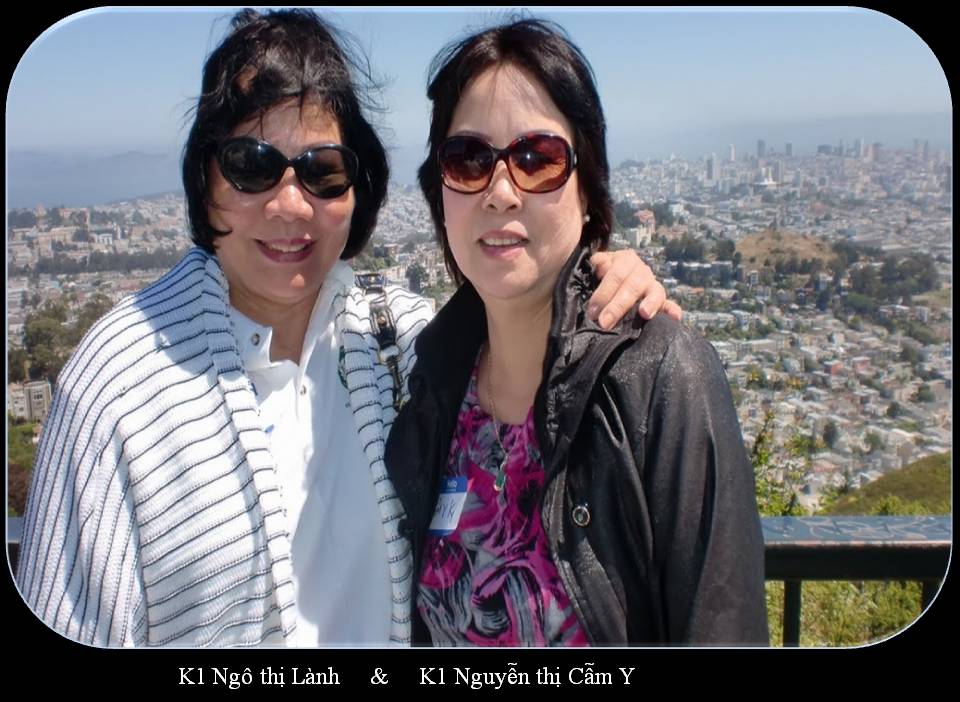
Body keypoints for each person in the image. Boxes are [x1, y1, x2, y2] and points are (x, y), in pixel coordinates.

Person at [15, 9, 677, 647]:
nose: (289, 205)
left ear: (358, 188)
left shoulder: (407, 346)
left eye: (322, 172)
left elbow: (524, 324)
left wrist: (601, 277)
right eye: (251, 166)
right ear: (205, 179)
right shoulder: (120, 386)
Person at [385, 18, 768, 646]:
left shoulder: (661, 376)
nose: (501, 192)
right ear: (440, 193)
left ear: (587, 188)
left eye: (537, 159)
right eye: (469, 159)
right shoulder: (433, 380)